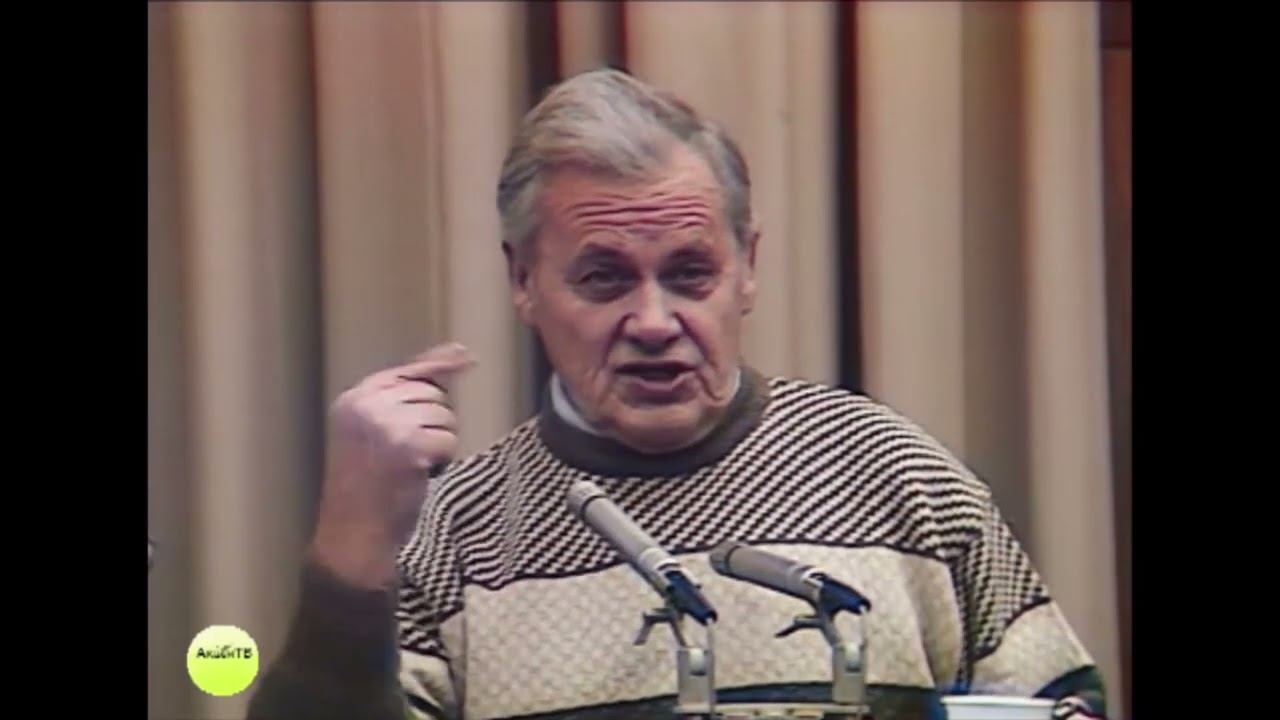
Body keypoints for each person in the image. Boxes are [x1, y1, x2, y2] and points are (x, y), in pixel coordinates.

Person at [245, 68, 1108, 720]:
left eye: (690, 273)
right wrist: (350, 551)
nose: (654, 322)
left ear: (748, 269)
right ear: (523, 282)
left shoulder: (896, 474)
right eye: (604, 278)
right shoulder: (456, 533)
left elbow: (1061, 703)